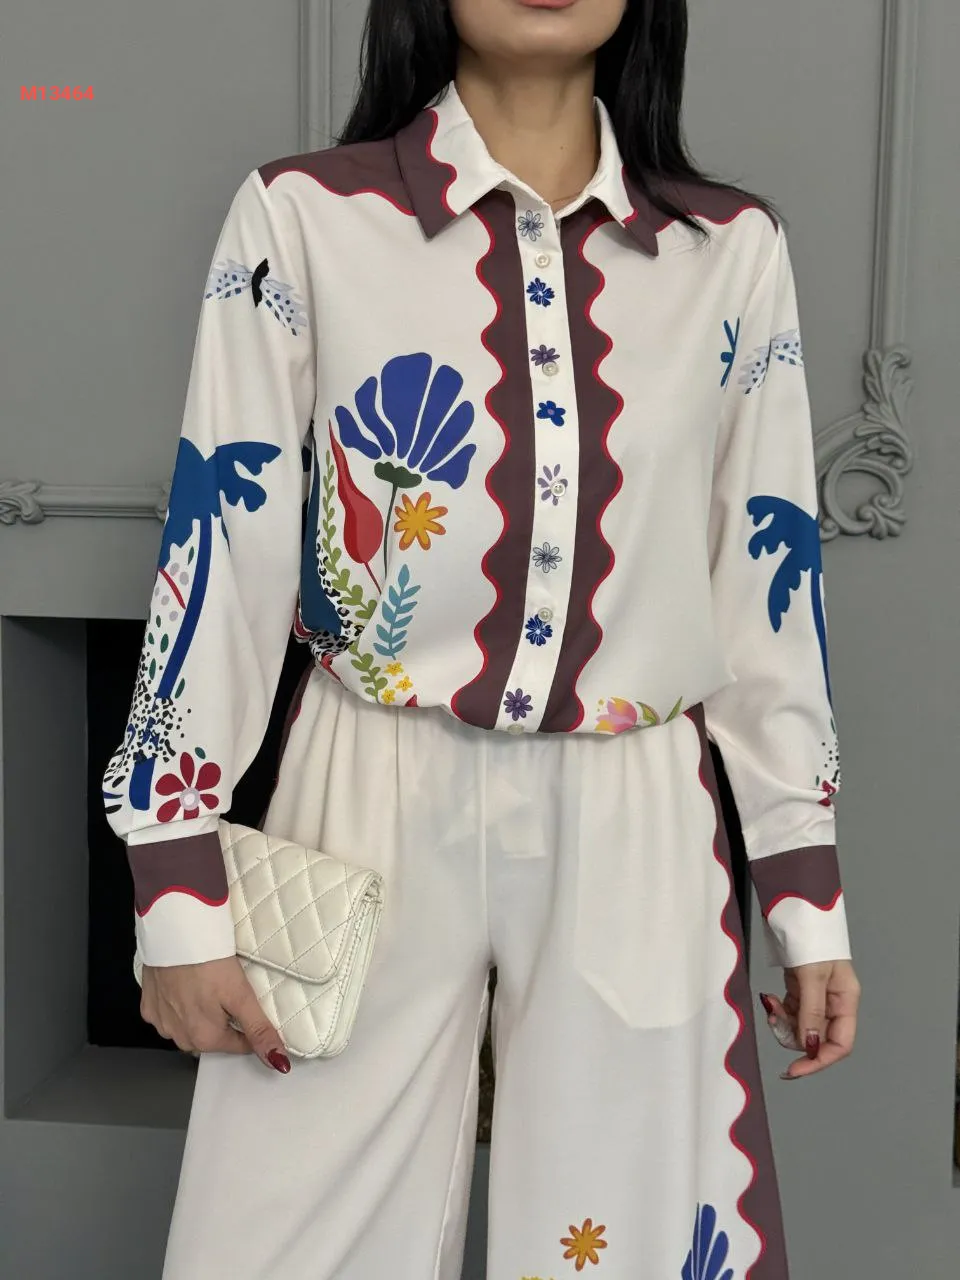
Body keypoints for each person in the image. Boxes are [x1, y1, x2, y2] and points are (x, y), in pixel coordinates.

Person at [102, 1, 861, 1276]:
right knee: (288, 1235)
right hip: (365, 784)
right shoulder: (305, 217)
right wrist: (175, 886)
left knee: (623, 1241)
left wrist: (806, 888)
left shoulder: (729, 249)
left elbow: (765, 582)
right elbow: (223, 539)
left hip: (635, 806)